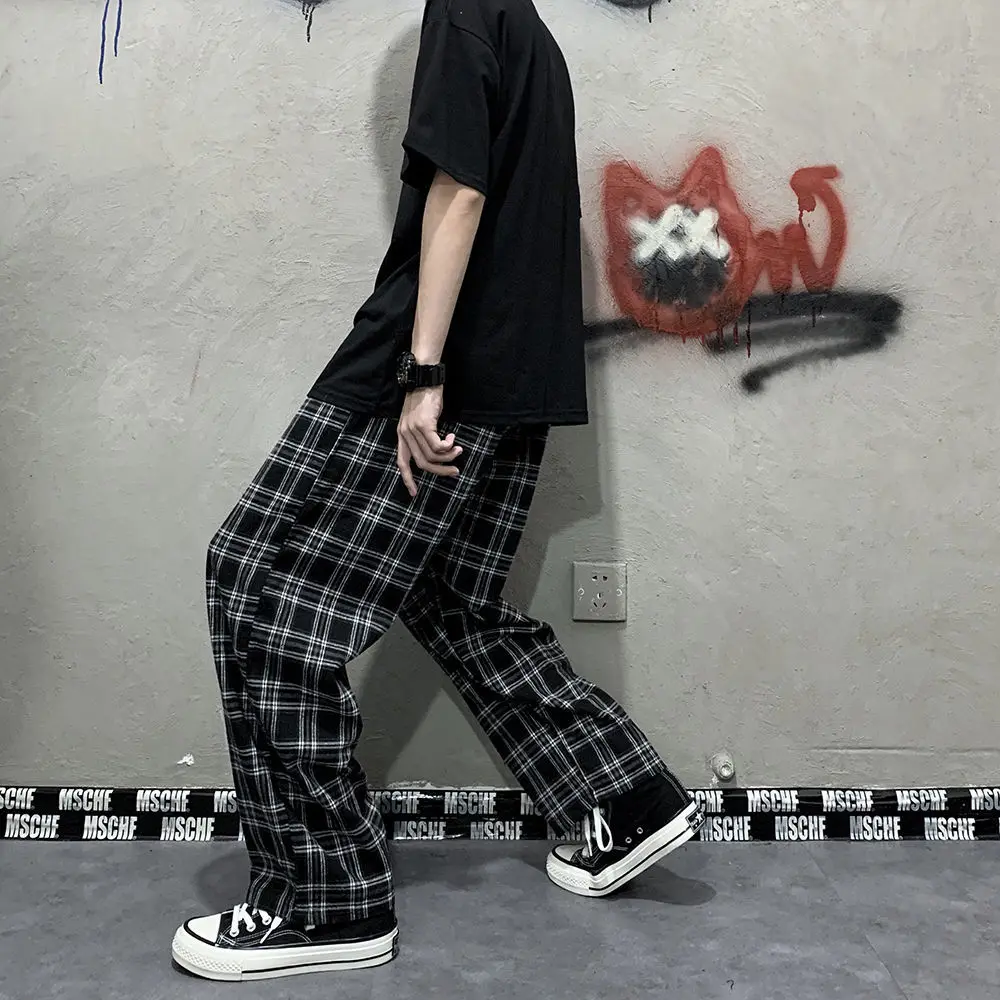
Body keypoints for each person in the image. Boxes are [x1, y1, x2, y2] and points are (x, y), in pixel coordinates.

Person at [171, 0, 704, 982]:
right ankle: (618, 793)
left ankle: (322, 900)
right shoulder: (523, 27)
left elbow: (459, 194)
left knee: (261, 588)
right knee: (451, 597)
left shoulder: (462, 10)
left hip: (440, 368)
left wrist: (421, 374)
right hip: (515, 373)